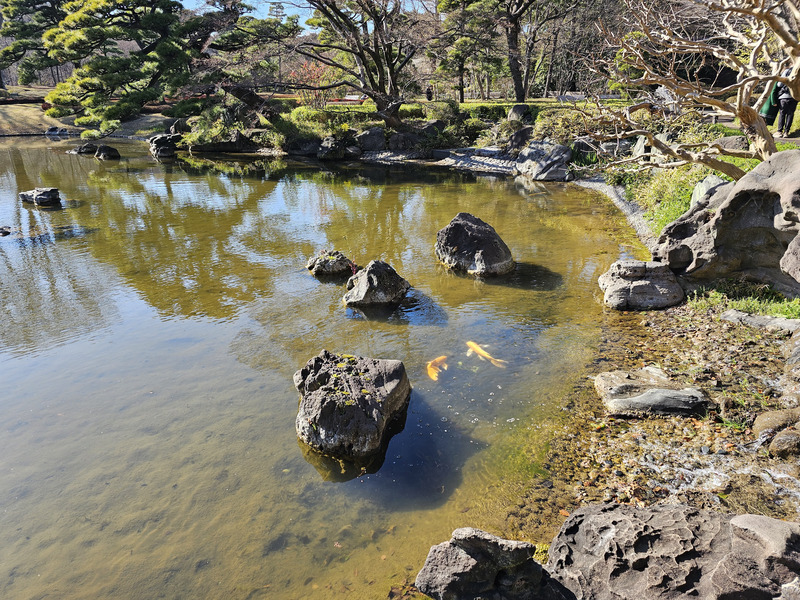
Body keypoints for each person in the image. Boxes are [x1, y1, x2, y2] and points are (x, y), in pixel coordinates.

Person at [776, 68, 797, 137]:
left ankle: (779, 131)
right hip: (794, 96)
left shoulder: (787, 71)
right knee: (790, 114)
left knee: (782, 113)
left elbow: (779, 84)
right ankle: (786, 132)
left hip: (784, 96)